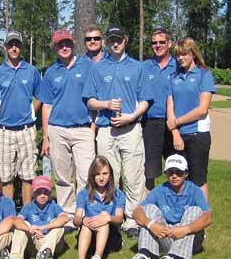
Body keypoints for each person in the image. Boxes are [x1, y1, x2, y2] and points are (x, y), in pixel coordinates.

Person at [83, 24, 152, 238]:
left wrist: (131, 116)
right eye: (112, 39)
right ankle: (111, 218)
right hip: (106, 130)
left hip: (131, 129)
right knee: (108, 178)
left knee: (133, 177)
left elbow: (145, 100)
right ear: (107, 41)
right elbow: (90, 101)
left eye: (119, 39)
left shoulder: (138, 67)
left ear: (126, 40)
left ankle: (132, 219)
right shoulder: (97, 67)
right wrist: (105, 105)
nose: (115, 43)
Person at [40, 29, 95, 234]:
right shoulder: (51, 72)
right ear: (54, 47)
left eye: (67, 43)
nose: (64, 47)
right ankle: (68, 215)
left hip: (83, 129)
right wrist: (45, 136)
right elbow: (46, 105)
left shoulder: (87, 66)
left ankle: (84, 213)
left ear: (73, 44)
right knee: (62, 177)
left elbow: (94, 95)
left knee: (85, 174)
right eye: (60, 44)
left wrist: (94, 124)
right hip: (57, 129)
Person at [124, 154, 212, 259]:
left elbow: (208, 217)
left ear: (186, 173)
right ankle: (145, 257)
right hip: (168, 235)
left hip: (189, 238)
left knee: (195, 210)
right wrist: (152, 225)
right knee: (149, 208)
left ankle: (171, 258)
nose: (174, 176)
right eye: (170, 172)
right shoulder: (160, 190)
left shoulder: (195, 190)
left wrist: (185, 229)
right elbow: (137, 212)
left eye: (179, 172)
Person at [0, 31, 42, 206]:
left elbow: (40, 97)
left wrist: (30, 113)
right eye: (11, 44)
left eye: (17, 44)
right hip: (5, 130)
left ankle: (26, 215)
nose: (14, 48)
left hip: (26, 129)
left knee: (28, 175)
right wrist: (3, 113)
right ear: (6, 47)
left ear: (21, 47)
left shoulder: (31, 71)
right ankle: (9, 215)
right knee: (6, 176)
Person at [166, 37, 216, 202]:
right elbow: (170, 111)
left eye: (184, 54)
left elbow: (202, 110)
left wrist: (178, 122)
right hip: (178, 137)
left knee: (198, 179)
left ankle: (202, 217)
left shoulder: (204, 75)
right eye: (178, 55)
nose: (181, 58)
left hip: (197, 135)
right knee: (179, 177)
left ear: (193, 54)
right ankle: (183, 216)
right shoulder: (173, 78)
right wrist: (175, 133)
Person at [0, 175, 69, 259]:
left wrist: (43, 228)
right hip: (34, 241)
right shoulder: (29, 206)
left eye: (46, 192)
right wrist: (30, 229)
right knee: (22, 225)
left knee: (59, 227)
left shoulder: (53, 205)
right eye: (39, 192)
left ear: (50, 193)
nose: (42, 195)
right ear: (33, 193)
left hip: (51, 242)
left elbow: (64, 218)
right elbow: (17, 221)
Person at [72, 156, 125, 259]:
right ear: (92, 176)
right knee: (86, 223)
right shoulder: (84, 193)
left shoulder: (118, 194)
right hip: (90, 233)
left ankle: (97, 257)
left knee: (103, 220)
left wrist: (108, 218)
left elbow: (119, 218)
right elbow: (76, 219)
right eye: (97, 174)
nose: (101, 178)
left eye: (105, 173)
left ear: (110, 174)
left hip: (111, 236)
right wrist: (83, 219)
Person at [142, 28, 177, 193]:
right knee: (149, 170)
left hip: (174, 124)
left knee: (176, 167)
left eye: (162, 42)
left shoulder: (178, 65)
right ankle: (149, 207)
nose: (158, 45)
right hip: (150, 123)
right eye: (154, 42)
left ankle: (175, 204)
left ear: (169, 43)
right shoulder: (144, 67)